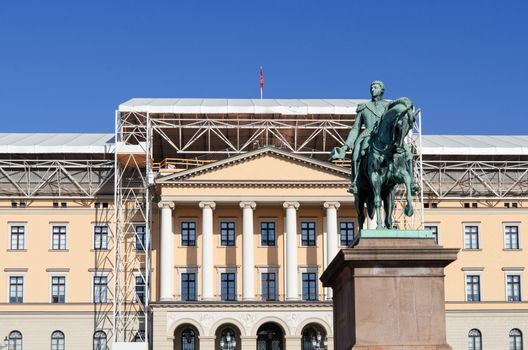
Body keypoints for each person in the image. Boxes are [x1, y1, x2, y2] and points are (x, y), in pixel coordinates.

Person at [332, 80, 390, 194]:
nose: (373, 89)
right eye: (372, 87)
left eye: (376, 87)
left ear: (382, 90)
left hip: (383, 136)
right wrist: (346, 146)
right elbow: (355, 128)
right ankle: (355, 182)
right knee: (355, 155)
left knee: (404, 152)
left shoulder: (388, 106)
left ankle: (410, 182)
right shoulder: (364, 107)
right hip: (367, 135)